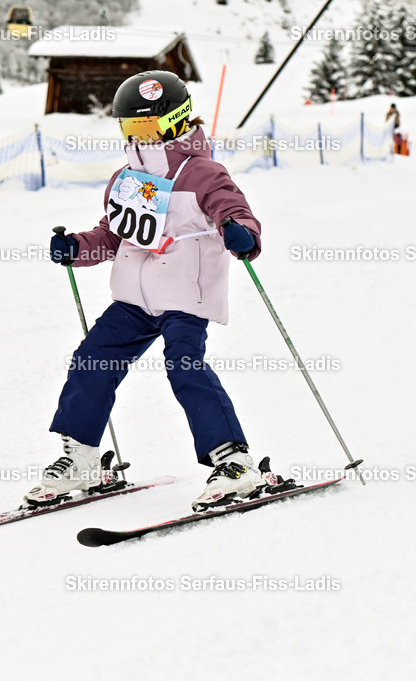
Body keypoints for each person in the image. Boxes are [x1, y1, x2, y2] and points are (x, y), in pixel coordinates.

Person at [24, 71, 272, 512]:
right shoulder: (125, 178)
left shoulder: (203, 173)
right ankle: (80, 457)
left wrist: (242, 234)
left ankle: (234, 461)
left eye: (146, 127)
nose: (138, 136)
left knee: (183, 364)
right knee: (91, 359)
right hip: (134, 298)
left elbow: (236, 213)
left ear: (174, 121)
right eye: (129, 128)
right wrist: (76, 247)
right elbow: (112, 235)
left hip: (184, 296)